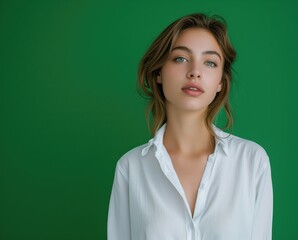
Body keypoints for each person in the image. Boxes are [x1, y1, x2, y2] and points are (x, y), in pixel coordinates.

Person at [107, 13, 273, 240]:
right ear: (159, 73)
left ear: (220, 83)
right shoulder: (130, 168)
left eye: (210, 62)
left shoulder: (252, 161)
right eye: (181, 59)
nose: (195, 72)